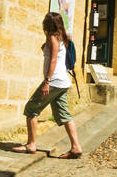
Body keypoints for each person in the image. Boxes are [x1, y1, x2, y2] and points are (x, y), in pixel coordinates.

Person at [11, 11, 83, 158]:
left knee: (31, 108)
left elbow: (54, 60)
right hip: (63, 82)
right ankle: (76, 147)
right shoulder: (63, 37)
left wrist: (47, 82)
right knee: (64, 114)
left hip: (54, 81)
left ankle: (31, 144)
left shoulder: (53, 38)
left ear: (47, 24)